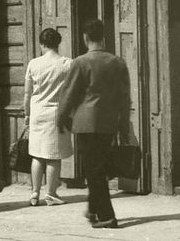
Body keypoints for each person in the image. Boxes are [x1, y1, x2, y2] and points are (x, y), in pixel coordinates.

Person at [58, 18, 132, 230]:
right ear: (103, 37)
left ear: (85, 37)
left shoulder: (80, 62)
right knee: (96, 167)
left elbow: (69, 94)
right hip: (108, 122)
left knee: (94, 170)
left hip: (86, 123)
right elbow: (125, 98)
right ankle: (92, 209)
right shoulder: (118, 62)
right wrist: (124, 125)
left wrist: (61, 117)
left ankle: (107, 215)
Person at [24, 27, 73, 206]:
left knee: (37, 155)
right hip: (56, 113)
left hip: (37, 112)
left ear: (42, 44)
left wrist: (27, 114)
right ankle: (51, 193)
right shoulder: (67, 63)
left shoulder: (33, 64)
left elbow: (27, 93)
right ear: (58, 43)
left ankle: (34, 193)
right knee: (54, 155)